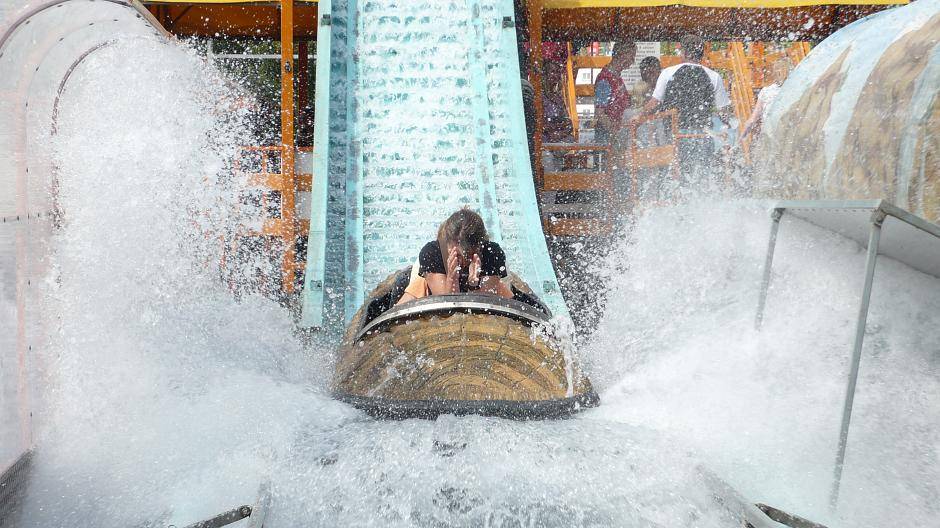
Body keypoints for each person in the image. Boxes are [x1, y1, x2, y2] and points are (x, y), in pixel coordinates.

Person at [639, 34, 731, 186]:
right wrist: (728, 127)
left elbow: (654, 103)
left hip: (676, 135)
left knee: (678, 179)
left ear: (684, 53)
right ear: (701, 54)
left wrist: (638, 116)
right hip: (704, 135)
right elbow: (723, 112)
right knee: (702, 179)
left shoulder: (668, 73)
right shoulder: (714, 76)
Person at [396, 208, 513, 305]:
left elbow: (481, 310)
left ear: (479, 247)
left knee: (509, 296)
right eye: (456, 254)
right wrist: (452, 279)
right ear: (446, 243)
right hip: (433, 283)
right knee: (414, 288)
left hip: (479, 287)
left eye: (467, 256)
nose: (461, 262)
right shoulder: (432, 253)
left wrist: (473, 284)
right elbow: (447, 308)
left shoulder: (492, 253)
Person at [594, 41, 637, 146]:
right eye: (632, 56)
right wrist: (616, 134)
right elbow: (600, 113)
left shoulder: (616, 77)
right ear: (622, 54)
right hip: (607, 137)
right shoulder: (605, 79)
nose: (633, 61)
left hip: (618, 132)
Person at [740, 58, 791, 143]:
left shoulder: (766, 91)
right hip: (787, 133)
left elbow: (752, 119)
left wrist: (742, 136)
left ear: (774, 72)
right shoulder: (793, 90)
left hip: (769, 134)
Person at [541, 59, 574, 144]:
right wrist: (552, 130)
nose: (556, 75)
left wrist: (561, 133)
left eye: (557, 72)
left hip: (558, 139)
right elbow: (539, 123)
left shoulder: (558, 98)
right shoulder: (539, 96)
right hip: (545, 141)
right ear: (545, 74)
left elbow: (568, 122)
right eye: (552, 72)